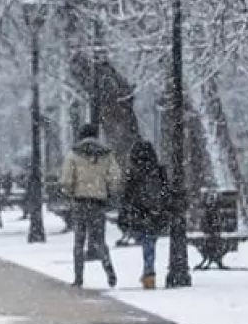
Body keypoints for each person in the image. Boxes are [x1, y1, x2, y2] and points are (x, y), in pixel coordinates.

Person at [60, 123, 123, 288]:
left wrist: (70, 190)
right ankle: (109, 269)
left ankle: (78, 277)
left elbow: (66, 179)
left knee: (79, 240)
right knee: (99, 240)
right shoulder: (106, 154)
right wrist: (108, 190)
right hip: (98, 201)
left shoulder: (74, 154)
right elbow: (115, 176)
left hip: (80, 201)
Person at [118, 140, 170, 290]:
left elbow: (126, 195)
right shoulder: (159, 171)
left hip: (139, 211)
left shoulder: (133, 172)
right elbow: (166, 191)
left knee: (146, 240)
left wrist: (126, 212)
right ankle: (148, 272)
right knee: (150, 241)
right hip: (155, 211)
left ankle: (149, 272)